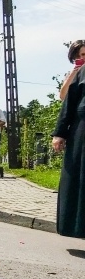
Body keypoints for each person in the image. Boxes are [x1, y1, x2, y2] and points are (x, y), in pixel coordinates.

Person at [52, 63, 85, 238]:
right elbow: (69, 102)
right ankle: (78, 228)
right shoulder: (83, 71)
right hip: (82, 131)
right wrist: (60, 133)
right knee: (80, 180)